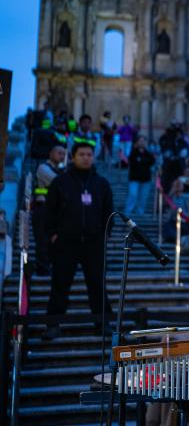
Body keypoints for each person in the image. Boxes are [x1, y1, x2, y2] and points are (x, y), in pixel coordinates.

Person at [43, 144, 115, 340]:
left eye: (89, 154)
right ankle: (53, 325)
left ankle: (102, 323)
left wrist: (105, 234)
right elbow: (49, 211)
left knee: (97, 284)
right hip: (66, 242)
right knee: (60, 284)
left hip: (93, 242)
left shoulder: (101, 184)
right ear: (73, 157)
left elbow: (109, 211)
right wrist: (53, 234)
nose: (85, 158)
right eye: (81, 154)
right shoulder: (60, 182)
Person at [32, 144, 65, 275]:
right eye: (59, 153)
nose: (62, 156)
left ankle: (49, 267)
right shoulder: (43, 168)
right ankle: (42, 268)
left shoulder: (61, 170)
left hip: (55, 210)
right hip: (42, 208)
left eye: (63, 154)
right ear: (51, 153)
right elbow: (58, 183)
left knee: (54, 240)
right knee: (42, 239)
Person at [124, 136, 156, 215]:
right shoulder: (133, 152)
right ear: (137, 142)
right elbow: (130, 160)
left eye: (143, 141)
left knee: (143, 197)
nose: (142, 142)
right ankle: (128, 212)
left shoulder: (148, 153)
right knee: (133, 194)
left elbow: (152, 161)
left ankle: (140, 212)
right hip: (134, 178)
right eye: (140, 141)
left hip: (146, 179)